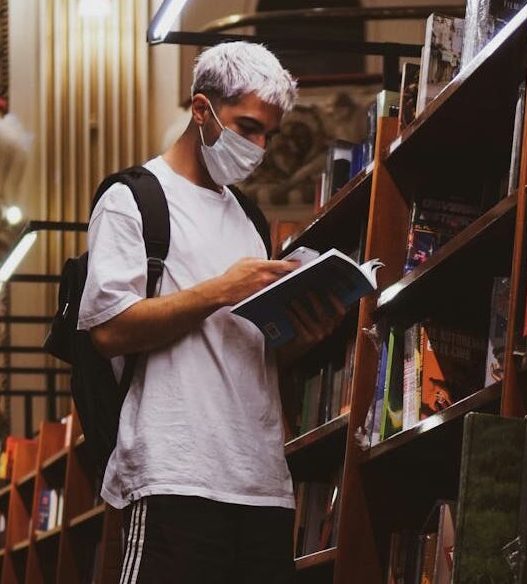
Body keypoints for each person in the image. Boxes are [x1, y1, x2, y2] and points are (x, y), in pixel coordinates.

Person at [79, 41, 346, 584]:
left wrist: (307, 332)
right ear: (201, 110)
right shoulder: (134, 199)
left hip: (262, 482)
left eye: (267, 134)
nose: (258, 147)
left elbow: (251, 344)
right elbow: (107, 330)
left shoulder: (247, 215)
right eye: (246, 127)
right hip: (174, 475)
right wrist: (221, 289)